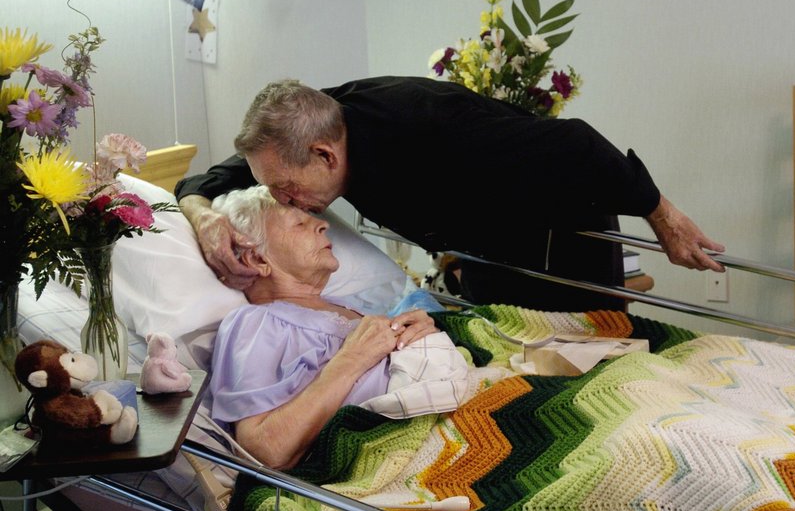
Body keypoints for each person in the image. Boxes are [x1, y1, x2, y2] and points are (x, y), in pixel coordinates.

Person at [176, 76, 725, 312]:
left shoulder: (435, 129)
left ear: (325, 155)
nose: (285, 200)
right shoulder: (309, 122)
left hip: (560, 241)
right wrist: (202, 216)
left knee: (595, 365)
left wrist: (663, 216)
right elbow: (209, 180)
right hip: (482, 243)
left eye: (286, 189)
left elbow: (579, 146)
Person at [207, 186, 468, 469]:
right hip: (414, 445)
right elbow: (263, 450)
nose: (323, 224)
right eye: (300, 223)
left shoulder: (344, 305)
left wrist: (421, 331)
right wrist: (352, 359)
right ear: (257, 259)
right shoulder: (256, 323)